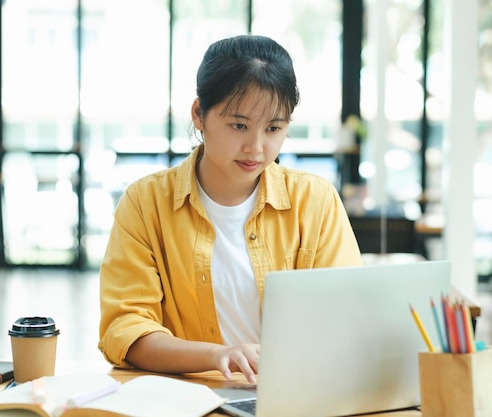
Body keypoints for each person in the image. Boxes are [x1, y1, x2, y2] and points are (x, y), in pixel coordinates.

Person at [98, 34, 362, 384]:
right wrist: (217, 355)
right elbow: (126, 329)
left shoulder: (316, 201)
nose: (256, 147)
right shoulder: (145, 204)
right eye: (239, 125)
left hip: (293, 394)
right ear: (199, 115)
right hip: (189, 397)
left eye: (273, 128)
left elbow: (349, 316)